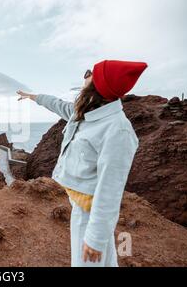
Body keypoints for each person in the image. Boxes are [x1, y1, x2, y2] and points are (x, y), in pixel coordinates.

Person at [17, 60, 148, 267]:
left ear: (100, 85)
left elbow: (110, 190)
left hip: (90, 212)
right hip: (79, 203)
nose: (85, 75)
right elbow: (58, 105)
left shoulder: (117, 129)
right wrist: (34, 97)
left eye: (90, 73)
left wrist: (95, 238)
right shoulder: (86, 113)